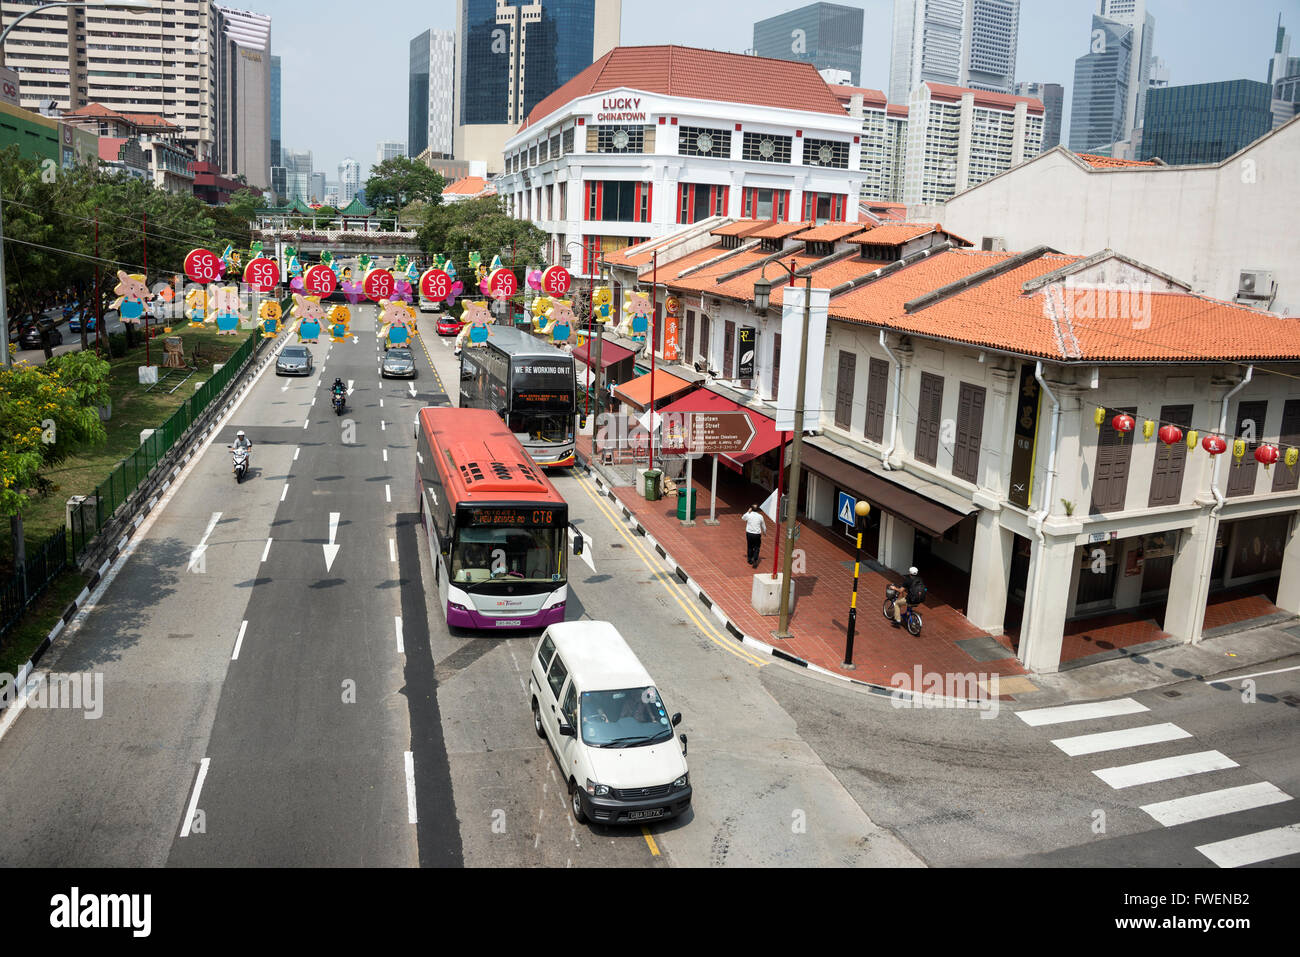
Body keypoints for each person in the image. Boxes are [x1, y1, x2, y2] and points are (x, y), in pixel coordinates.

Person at [743, 504, 766, 568]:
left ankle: (749, 559)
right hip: (757, 534)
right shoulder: (760, 516)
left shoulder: (749, 515)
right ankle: (755, 559)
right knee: (757, 547)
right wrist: (764, 532)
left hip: (749, 533)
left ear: (751, 508)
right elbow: (763, 525)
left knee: (750, 546)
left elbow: (743, 518)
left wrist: (748, 512)